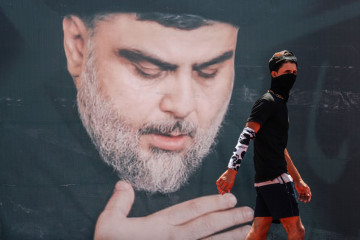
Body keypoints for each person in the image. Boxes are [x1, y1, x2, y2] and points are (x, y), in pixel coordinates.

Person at [45, 0, 254, 239]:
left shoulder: (256, 160)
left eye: (209, 72)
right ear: (78, 46)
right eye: (147, 70)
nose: (183, 106)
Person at [216, 50, 312, 240]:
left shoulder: (279, 104)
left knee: (259, 231)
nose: (291, 77)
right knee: (297, 230)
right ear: (274, 74)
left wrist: (298, 179)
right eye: (287, 73)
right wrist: (231, 171)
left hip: (267, 180)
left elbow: (278, 147)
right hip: (276, 178)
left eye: (294, 73)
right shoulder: (267, 102)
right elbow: (246, 135)